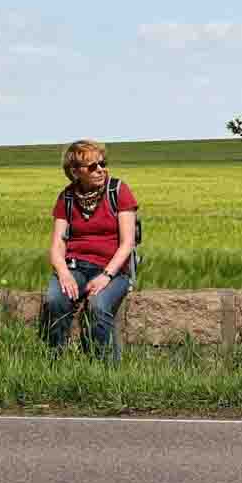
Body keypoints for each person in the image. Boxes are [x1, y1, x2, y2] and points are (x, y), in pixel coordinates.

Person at [44, 139, 137, 362]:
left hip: (113, 270)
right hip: (75, 266)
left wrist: (106, 276)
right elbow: (57, 244)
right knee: (55, 300)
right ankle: (54, 362)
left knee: (98, 304)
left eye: (103, 163)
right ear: (75, 172)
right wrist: (64, 273)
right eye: (93, 166)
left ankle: (106, 369)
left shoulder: (118, 191)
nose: (101, 170)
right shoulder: (67, 197)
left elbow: (127, 243)